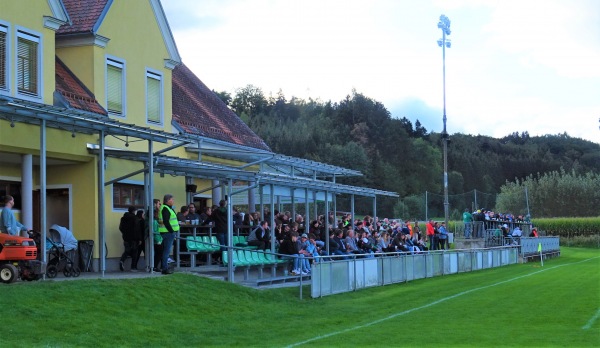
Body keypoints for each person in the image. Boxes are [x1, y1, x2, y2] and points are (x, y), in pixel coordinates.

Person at [158, 194, 179, 275]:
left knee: (165, 251)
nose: (173, 201)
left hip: (165, 232)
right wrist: (171, 231)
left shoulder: (165, 208)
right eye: (172, 199)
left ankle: (164, 267)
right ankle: (165, 268)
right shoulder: (166, 209)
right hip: (168, 233)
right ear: (168, 200)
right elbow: (166, 221)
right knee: (166, 251)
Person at [119, 206, 141, 271]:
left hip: (126, 237)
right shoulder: (135, 218)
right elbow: (137, 229)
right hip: (134, 238)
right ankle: (133, 267)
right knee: (135, 252)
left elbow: (120, 228)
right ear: (134, 211)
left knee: (127, 251)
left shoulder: (123, 218)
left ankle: (122, 260)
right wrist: (139, 238)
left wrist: (125, 233)